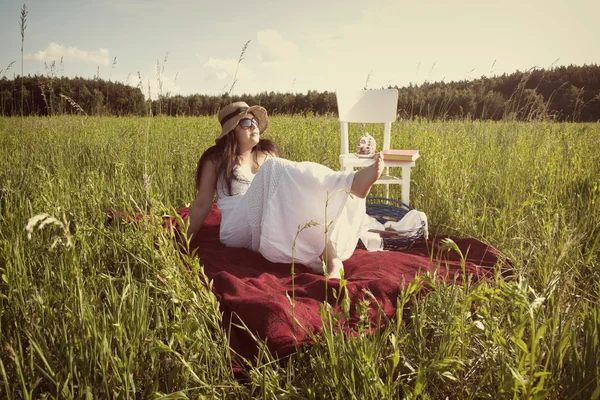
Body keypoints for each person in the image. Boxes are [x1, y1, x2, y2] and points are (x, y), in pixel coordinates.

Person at [186, 101, 384, 279]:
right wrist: (182, 240)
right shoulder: (215, 160)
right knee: (274, 168)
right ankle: (350, 182)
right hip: (237, 227)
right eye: (246, 123)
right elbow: (202, 204)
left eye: (254, 121)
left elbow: (298, 184)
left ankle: (334, 262)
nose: (253, 125)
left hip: (266, 223)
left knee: (297, 192)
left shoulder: (266, 152)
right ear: (231, 131)